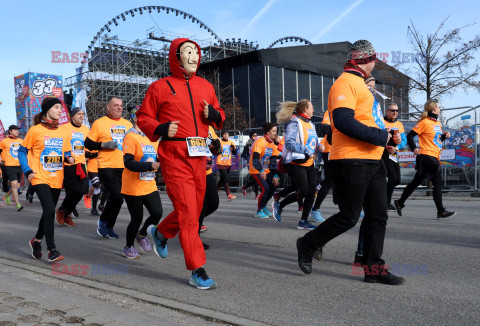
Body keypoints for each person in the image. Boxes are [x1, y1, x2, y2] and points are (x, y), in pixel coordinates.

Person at [296, 40, 405, 285]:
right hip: (350, 160)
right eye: (374, 59)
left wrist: (386, 140)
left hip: (373, 159)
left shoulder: (364, 87)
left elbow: (368, 122)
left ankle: (373, 269)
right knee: (349, 216)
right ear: (366, 60)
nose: (375, 63)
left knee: (378, 215)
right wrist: (380, 135)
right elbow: (343, 121)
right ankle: (307, 243)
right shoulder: (344, 83)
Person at [137, 37, 225, 289]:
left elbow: (219, 113)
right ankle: (197, 269)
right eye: (188, 52)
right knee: (188, 213)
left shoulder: (206, 86)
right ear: (176, 57)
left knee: (194, 210)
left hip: (199, 155)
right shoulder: (159, 87)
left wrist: (216, 115)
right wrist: (162, 127)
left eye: (196, 52)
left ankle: (160, 233)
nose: (194, 56)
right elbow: (143, 116)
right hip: (174, 155)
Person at [19, 97, 75, 262]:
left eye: (61, 109)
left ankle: (36, 241)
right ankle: (52, 250)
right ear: (47, 110)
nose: (60, 111)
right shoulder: (35, 130)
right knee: (50, 210)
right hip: (39, 176)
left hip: (56, 178)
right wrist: (27, 170)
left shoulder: (64, 132)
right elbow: (22, 152)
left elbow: (65, 152)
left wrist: (69, 158)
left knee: (47, 213)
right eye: (57, 107)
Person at [394, 99, 456, 218]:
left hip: (434, 155)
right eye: (438, 107)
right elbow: (410, 135)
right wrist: (413, 149)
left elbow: (436, 140)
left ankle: (400, 202)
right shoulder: (424, 122)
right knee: (438, 184)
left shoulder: (437, 124)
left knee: (415, 182)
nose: (439, 109)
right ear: (433, 109)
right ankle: (441, 211)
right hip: (427, 156)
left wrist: (444, 136)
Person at [85, 96, 133, 239]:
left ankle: (108, 225)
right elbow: (88, 143)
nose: (119, 108)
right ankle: (104, 221)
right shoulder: (99, 123)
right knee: (117, 196)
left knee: (118, 199)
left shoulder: (127, 124)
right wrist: (103, 145)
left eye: (121, 106)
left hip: (124, 167)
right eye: (116, 105)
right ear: (108, 107)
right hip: (107, 166)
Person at [121, 108, 163, 259]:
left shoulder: (153, 138)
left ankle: (142, 233)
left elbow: (159, 158)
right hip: (132, 187)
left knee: (158, 212)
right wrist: (149, 166)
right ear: (136, 118)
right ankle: (128, 247)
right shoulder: (131, 136)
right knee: (136, 218)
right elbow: (129, 163)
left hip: (149, 185)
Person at [272, 99, 320, 229]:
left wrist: (318, 147)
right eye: (312, 107)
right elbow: (290, 143)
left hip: (309, 162)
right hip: (295, 161)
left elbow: (312, 141)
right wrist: (306, 150)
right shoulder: (294, 122)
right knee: (304, 191)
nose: (313, 110)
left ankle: (303, 221)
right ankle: (280, 205)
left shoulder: (311, 124)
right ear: (305, 109)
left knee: (312, 192)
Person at [56, 108, 93, 226]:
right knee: (74, 190)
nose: (81, 116)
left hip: (82, 164)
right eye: (78, 114)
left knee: (82, 191)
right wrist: (66, 157)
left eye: (82, 114)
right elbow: (59, 146)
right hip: (69, 165)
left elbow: (88, 148)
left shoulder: (86, 130)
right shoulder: (63, 129)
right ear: (72, 116)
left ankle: (66, 212)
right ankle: (63, 212)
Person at [249, 123, 280, 219]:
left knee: (273, 186)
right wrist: (260, 170)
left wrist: (275, 175)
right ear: (268, 132)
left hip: (266, 170)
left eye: (276, 131)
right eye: (274, 131)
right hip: (256, 169)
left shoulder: (272, 144)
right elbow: (255, 158)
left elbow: (274, 161)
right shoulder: (260, 141)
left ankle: (264, 206)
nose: (276, 133)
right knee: (265, 188)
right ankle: (259, 211)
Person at [199, 126, 222, 248]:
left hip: (207, 172)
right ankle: (194, 236)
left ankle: (192, 224)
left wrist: (217, 146)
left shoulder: (209, 128)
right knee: (201, 206)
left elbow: (217, 150)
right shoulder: (190, 122)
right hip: (194, 172)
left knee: (213, 203)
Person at [382, 103, 407, 211]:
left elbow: (404, 141)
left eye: (397, 111)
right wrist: (386, 147)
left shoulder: (399, 124)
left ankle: (383, 199)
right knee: (392, 177)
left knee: (397, 180)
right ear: (387, 111)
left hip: (394, 154)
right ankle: (385, 203)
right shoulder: (381, 122)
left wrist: (396, 148)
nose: (395, 113)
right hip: (383, 153)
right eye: (392, 110)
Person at [311, 110, 333, 222]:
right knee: (330, 181)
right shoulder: (330, 112)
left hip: (345, 150)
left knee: (348, 179)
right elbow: (326, 129)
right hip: (330, 149)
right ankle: (315, 208)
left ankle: (318, 187)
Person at [0, 125, 24, 211]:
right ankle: (18, 204)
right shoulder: (4, 141)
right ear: (10, 131)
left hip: (19, 165)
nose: (17, 131)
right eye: (15, 130)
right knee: (14, 185)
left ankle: (7, 195)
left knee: (17, 185)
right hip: (9, 165)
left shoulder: (21, 141)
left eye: (18, 130)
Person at [216, 131, 237, 200]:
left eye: (227, 134)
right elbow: (215, 151)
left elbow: (234, 152)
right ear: (222, 135)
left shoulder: (231, 142)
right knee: (226, 178)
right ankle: (229, 194)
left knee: (222, 179)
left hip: (228, 163)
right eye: (225, 134)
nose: (226, 136)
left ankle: (215, 192)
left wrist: (233, 148)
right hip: (220, 162)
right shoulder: (220, 142)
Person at [241, 131, 259, 198]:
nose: (256, 137)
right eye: (254, 135)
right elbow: (243, 154)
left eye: (256, 135)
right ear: (251, 136)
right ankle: (257, 194)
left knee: (256, 179)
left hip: (257, 162)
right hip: (251, 164)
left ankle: (245, 187)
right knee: (256, 178)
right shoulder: (248, 144)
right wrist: (248, 161)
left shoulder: (258, 143)